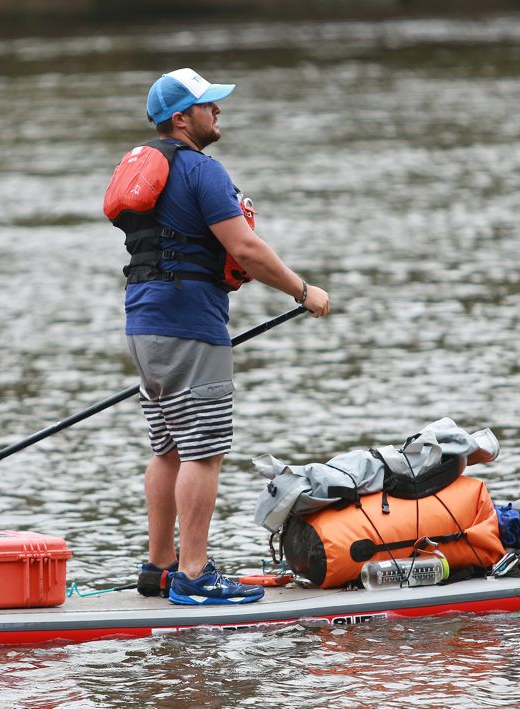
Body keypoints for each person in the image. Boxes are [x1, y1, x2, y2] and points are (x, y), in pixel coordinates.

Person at [106, 68, 330, 605]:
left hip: (143, 325)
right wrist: (303, 291)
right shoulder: (202, 172)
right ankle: (194, 575)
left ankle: (158, 569)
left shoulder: (154, 169)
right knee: (203, 453)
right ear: (181, 118)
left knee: (167, 450)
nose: (218, 111)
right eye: (208, 105)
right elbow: (247, 249)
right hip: (190, 327)